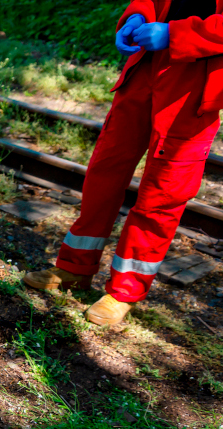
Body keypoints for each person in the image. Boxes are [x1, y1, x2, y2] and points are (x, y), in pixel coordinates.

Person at [22, 0, 223, 325]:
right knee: (104, 171)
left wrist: (176, 33)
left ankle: (124, 291)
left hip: (195, 74)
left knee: (164, 191)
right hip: (145, 63)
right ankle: (74, 269)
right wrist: (137, 15)